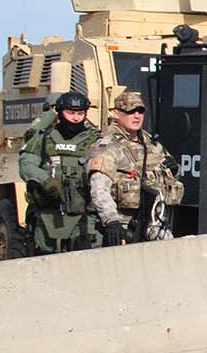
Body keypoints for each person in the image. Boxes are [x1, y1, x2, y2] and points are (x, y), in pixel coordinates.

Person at [87, 90, 184, 245]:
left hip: (154, 224)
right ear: (116, 114)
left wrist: (174, 170)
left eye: (140, 111)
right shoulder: (108, 145)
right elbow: (99, 188)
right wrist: (111, 221)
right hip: (124, 227)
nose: (137, 116)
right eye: (130, 112)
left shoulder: (150, 143)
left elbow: (168, 177)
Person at [20, 90, 104, 254]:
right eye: (70, 113)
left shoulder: (95, 140)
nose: (76, 118)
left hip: (85, 217)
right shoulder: (43, 138)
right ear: (59, 112)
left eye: (80, 113)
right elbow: (26, 164)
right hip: (48, 214)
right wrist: (45, 181)